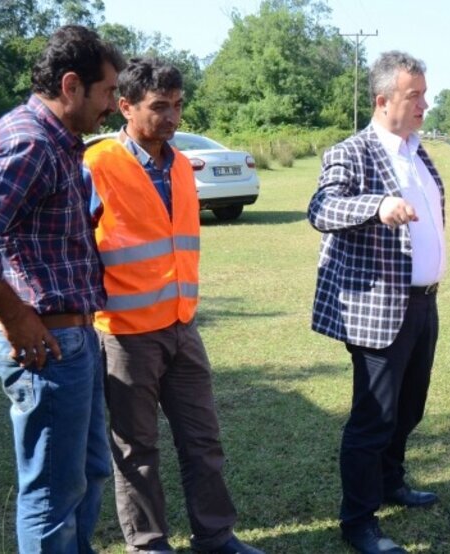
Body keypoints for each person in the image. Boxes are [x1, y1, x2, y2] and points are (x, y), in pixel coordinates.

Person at [0, 25, 123, 553]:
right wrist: (17, 316)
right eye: (109, 91)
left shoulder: (57, 140)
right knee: (51, 492)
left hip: (74, 340)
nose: (114, 104)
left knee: (88, 473)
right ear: (72, 85)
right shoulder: (32, 140)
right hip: (46, 347)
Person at [82, 58, 262, 554]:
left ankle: (215, 536)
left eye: (178, 105)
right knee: (136, 452)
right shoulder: (96, 164)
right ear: (125, 106)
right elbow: (72, 246)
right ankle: (149, 545)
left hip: (182, 326)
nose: (173, 117)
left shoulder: (181, 163)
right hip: (124, 332)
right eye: (159, 107)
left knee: (203, 441)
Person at [307, 50, 445, 554]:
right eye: (415, 96)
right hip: (378, 309)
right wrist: (379, 204)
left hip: (422, 304)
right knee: (372, 419)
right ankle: (359, 522)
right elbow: (322, 207)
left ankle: (391, 482)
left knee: (409, 408)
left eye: (424, 95)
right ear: (383, 100)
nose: (424, 105)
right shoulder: (353, 151)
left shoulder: (415, 149)